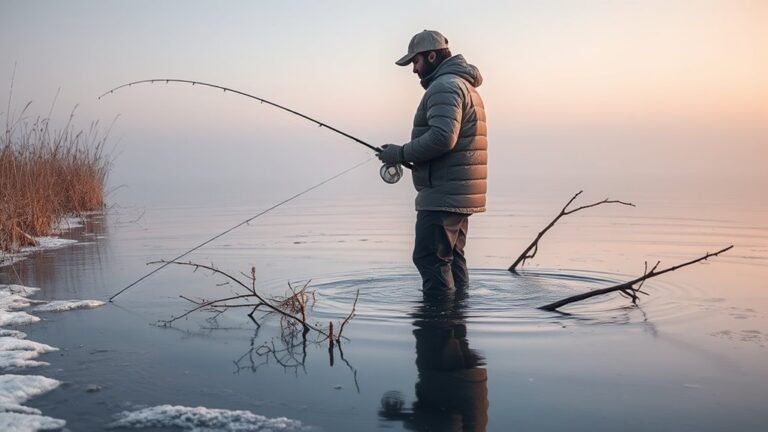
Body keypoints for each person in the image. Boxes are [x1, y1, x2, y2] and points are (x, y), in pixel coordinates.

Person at [378, 30, 488, 291]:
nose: (414, 69)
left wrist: (400, 153)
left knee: (429, 258)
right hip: (457, 193)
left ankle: (439, 317)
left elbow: (442, 138)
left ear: (431, 56)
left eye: (415, 61)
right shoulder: (463, 85)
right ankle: (457, 313)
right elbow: (451, 142)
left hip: (443, 195)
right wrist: (413, 159)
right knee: (452, 259)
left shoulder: (444, 86)